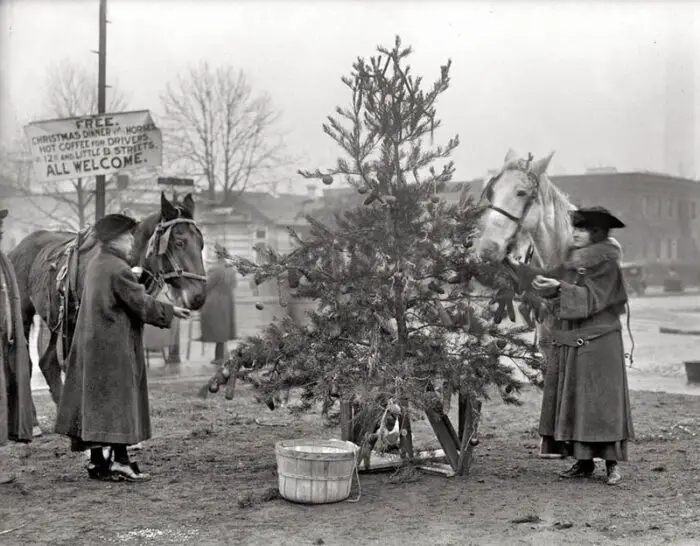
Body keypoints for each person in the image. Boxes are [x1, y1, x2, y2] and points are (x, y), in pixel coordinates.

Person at [55, 214, 191, 482]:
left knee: (97, 405)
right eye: (127, 236)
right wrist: (171, 310)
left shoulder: (98, 263)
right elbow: (140, 303)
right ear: (114, 239)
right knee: (119, 403)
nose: (131, 241)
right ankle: (121, 462)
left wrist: (133, 276)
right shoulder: (117, 268)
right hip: (113, 349)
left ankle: (97, 463)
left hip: (93, 347)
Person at [508, 206, 634, 485]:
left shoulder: (608, 263)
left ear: (597, 233)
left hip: (601, 345)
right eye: (574, 228)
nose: (575, 234)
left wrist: (559, 288)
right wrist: (526, 273)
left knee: (602, 403)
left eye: (581, 230)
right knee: (577, 400)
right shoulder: (571, 260)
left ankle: (612, 464)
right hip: (574, 342)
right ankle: (584, 462)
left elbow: (593, 298)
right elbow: (552, 282)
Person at [198, 243, 237, 365]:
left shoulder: (216, 269)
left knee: (218, 330)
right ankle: (221, 355)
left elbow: (207, 286)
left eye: (214, 253)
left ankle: (220, 357)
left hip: (215, 302)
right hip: (227, 301)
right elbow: (234, 284)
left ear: (217, 255)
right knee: (223, 330)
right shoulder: (230, 268)